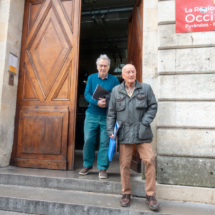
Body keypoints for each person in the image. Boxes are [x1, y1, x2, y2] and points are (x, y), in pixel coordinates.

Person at [107, 64, 159, 211]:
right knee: (124, 164)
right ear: (122, 75)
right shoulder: (116, 91)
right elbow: (111, 113)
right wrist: (111, 130)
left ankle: (150, 195)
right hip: (124, 132)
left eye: (133, 71)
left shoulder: (146, 88)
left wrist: (145, 122)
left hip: (142, 131)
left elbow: (153, 106)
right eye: (127, 72)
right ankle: (126, 193)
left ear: (136, 73)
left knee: (149, 160)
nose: (131, 74)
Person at [79, 54, 120, 179]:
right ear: (97, 67)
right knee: (88, 140)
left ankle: (102, 168)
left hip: (107, 116)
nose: (103, 68)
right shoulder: (91, 78)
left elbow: (117, 97)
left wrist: (106, 103)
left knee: (104, 142)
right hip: (91, 114)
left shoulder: (114, 80)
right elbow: (86, 94)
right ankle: (87, 165)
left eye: (105, 66)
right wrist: (96, 102)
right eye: (101, 66)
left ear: (108, 67)